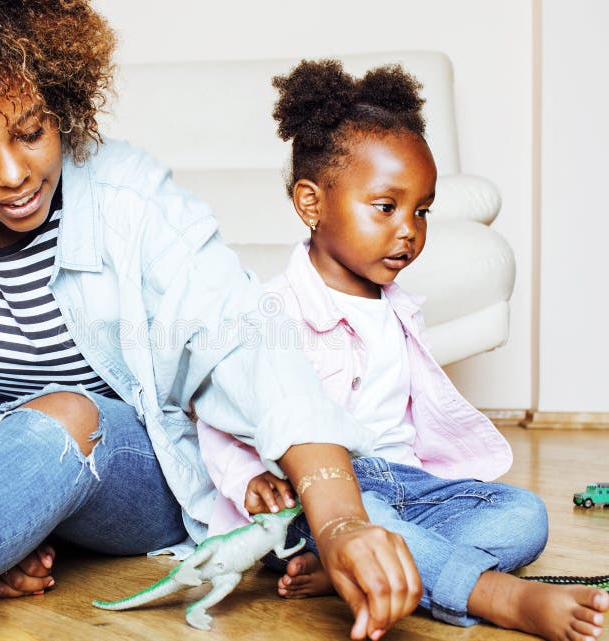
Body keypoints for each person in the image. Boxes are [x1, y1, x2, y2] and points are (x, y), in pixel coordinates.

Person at [0, 3, 420, 639]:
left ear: (59, 107)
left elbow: (243, 337)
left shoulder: (131, 196)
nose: (14, 173)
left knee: (64, 411)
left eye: (30, 132)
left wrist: (340, 518)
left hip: (131, 463)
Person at [197, 59, 609, 641]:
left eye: (422, 210)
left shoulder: (399, 308)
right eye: (386, 207)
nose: (408, 229)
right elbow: (210, 408)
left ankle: (362, 570)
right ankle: (494, 595)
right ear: (311, 204)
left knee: (523, 515)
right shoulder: (270, 312)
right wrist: (244, 479)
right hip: (318, 501)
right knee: (375, 520)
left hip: (405, 483)